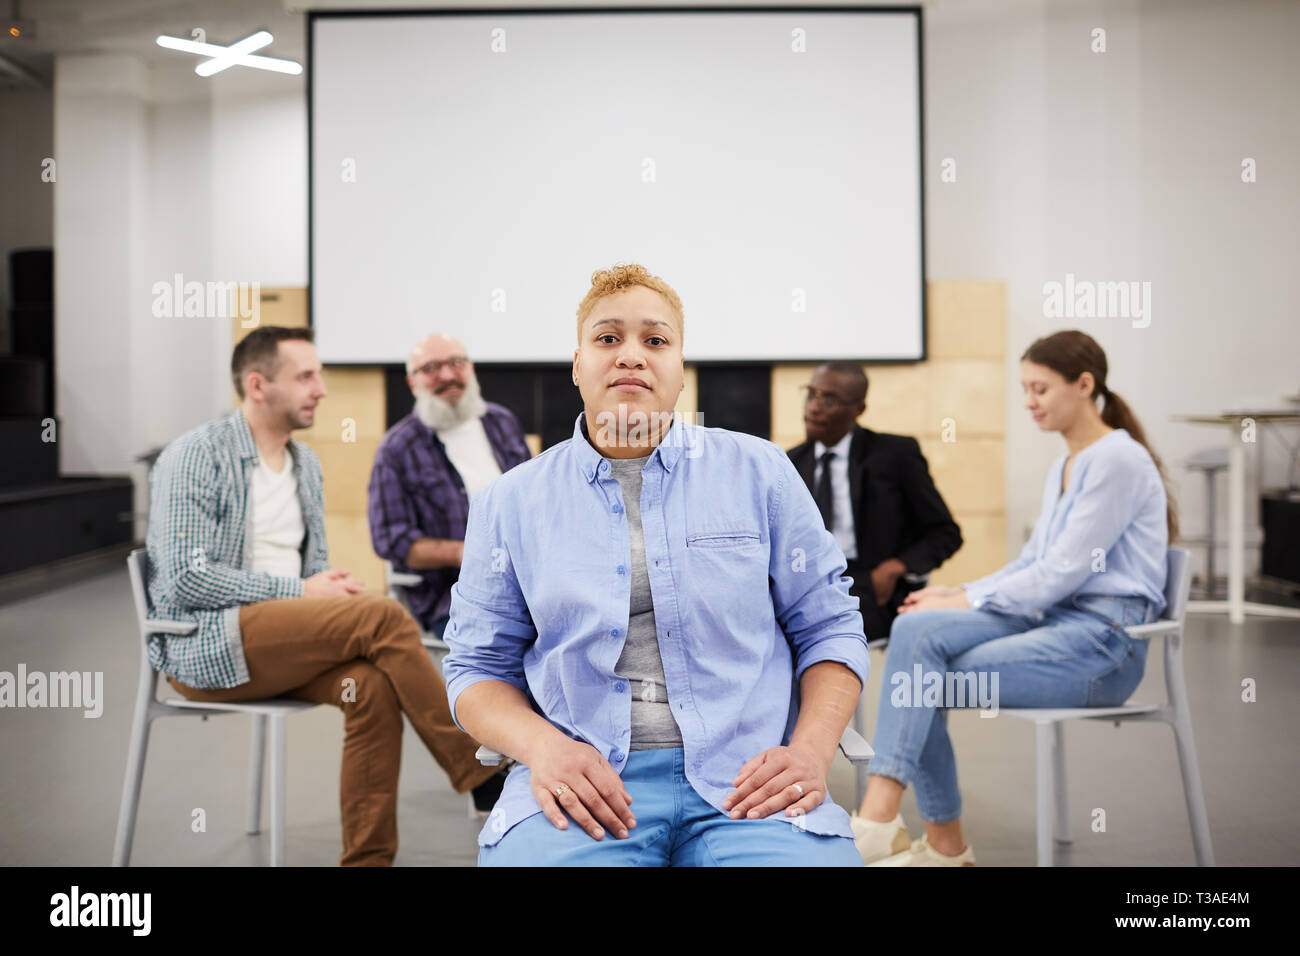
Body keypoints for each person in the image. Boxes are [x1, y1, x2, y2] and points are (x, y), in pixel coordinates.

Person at [442, 263, 869, 866]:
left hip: (750, 780)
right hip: (583, 784)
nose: (631, 356)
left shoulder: (761, 473)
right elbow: (475, 666)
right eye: (608, 338)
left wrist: (812, 750)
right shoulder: (509, 503)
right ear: (577, 365)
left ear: (680, 371)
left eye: (656, 340)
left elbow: (829, 627)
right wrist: (543, 748)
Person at [145, 326, 501, 866]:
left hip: (285, 636)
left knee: (373, 685)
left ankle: (367, 861)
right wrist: (301, 590)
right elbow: (184, 580)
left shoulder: (305, 464)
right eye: (306, 376)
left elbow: (309, 571)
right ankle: (477, 771)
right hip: (207, 642)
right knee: (383, 616)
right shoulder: (196, 456)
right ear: (258, 385)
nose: (322, 389)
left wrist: (325, 587)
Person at [850, 329, 1177, 866]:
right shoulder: (1066, 465)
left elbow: (1063, 574)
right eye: (1025, 388)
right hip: (1057, 623)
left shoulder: (1117, 459)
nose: (1028, 401)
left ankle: (906, 830)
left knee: (919, 682)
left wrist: (965, 604)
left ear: (1084, 385)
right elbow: (1034, 566)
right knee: (914, 632)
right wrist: (960, 591)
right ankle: (908, 830)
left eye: (1040, 389)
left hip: (1104, 645)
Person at [367, 333, 530, 639]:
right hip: (454, 597)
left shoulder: (502, 423)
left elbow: (537, 500)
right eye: (430, 368)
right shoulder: (397, 449)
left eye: (456, 363)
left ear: (469, 368)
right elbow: (390, 539)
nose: (446, 375)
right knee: (512, 644)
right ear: (412, 382)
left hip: (529, 582)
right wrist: (465, 553)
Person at [788, 363, 962, 641]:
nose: (814, 407)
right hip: (811, 583)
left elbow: (945, 534)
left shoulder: (895, 455)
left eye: (829, 399)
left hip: (871, 584)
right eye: (811, 395)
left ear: (858, 409)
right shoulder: (790, 463)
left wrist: (895, 567)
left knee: (838, 635)